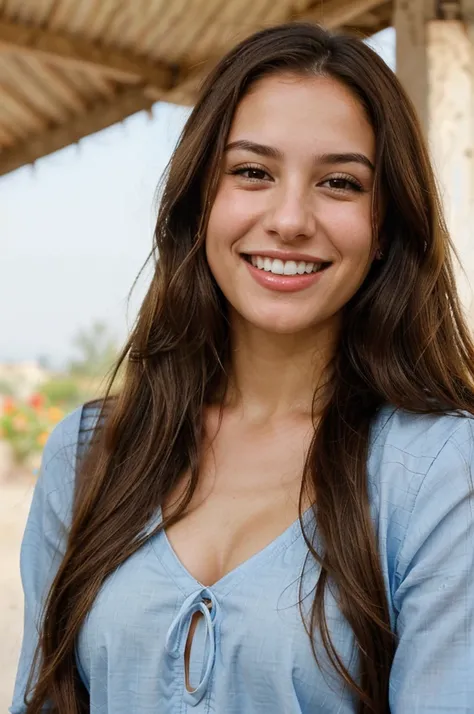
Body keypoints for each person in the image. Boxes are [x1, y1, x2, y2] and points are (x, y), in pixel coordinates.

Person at [10, 21, 474, 714]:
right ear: (201, 201)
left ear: (383, 229)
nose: (290, 219)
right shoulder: (87, 454)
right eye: (253, 172)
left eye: (340, 183)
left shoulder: (440, 471)